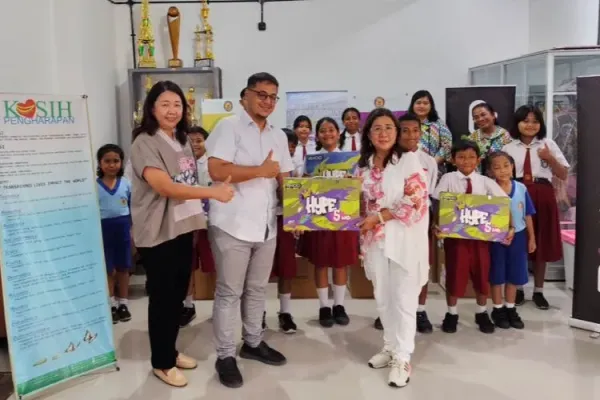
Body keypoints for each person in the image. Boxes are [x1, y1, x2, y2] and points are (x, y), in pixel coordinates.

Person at [129, 80, 234, 388]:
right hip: (158, 230)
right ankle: (161, 362)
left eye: (177, 104)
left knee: (177, 296)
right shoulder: (144, 142)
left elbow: (187, 178)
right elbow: (165, 186)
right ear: (151, 108)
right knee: (163, 298)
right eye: (165, 104)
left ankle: (170, 351)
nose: (172, 110)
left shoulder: (182, 138)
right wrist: (213, 193)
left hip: (184, 226)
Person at [205, 72, 293, 389]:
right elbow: (216, 170)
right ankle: (225, 356)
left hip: (266, 225)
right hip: (232, 223)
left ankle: (253, 342)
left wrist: (299, 212)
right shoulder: (228, 126)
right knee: (230, 292)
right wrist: (260, 171)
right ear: (246, 95)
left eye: (273, 97)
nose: (267, 101)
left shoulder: (278, 135)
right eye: (261, 95)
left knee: (257, 289)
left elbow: (284, 177)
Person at [357, 108, 429, 388]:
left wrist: (378, 217)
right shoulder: (363, 166)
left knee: (404, 298)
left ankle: (403, 356)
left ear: (396, 133)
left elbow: (415, 201)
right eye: (377, 128)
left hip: (403, 240)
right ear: (368, 134)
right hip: (375, 242)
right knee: (383, 296)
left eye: (389, 127)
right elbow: (357, 202)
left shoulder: (408, 160)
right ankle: (389, 346)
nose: (383, 133)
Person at [432, 140, 508, 334]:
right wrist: (436, 223)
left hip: (481, 240)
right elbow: (438, 202)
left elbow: (502, 203)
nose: (466, 161)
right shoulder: (448, 178)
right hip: (455, 239)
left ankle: (481, 312)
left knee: (482, 275)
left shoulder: (485, 181)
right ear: (453, 159)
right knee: (455, 274)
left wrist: (509, 227)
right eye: (461, 157)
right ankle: (452, 313)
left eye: (471, 157)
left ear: (478, 160)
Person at [503, 105, 569, 309]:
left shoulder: (548, 144)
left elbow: (563, 174)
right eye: (526, 121)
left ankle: (539, 291)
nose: (530, 125)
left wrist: (549, 158)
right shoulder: (508, 147)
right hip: (517, 193)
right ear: (517, 123)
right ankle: (519, 288)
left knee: (541, 241)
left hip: (542, 194)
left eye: (535, 121)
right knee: (519, 241)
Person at [298, 117, 359, 327]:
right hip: (319, 216)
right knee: (321, 262)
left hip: (343, 216)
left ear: (338, 133)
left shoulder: (351, 159)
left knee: (341, 262)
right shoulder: (311, 159)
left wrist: (353, 182)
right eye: (323, 131)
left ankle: (339, 305)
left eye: (331, 130)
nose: (327, 134)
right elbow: (303, 188)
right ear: (317, 135)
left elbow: (358, 187)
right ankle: (324, 306)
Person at [488, 151, 536, 329]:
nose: (502, 170)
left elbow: (528, 214)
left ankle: (510, 308)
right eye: (497, 167)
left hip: (519, 237)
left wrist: (531, 238)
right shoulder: (489, 189)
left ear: (513, 167)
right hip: (496, 238)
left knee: (514, 275)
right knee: (497, 274)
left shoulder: (521, 188)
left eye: (506, 166)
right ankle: (497, 309)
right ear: (490, 171)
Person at [180, 126, 215, 327]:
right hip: (188, 222)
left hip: (211, 223)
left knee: (215, 265)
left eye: (199, 140)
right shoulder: (181, 164)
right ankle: (188, 305)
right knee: (188, 265)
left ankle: (218, 306)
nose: (194, 144)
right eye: (190, 141)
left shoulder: (212, 163)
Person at [96, 143, 132, 324]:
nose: (112, 165)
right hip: (103, 230)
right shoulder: (94, 186)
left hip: (123, 229)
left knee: (123, 268)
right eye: (107, 161)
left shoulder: (126, 184)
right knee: (108, 269)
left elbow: (133, 209)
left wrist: (133, 233)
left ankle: (123, 303)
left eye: (116, 161)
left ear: (121, 162)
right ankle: (111, 303)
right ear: (100, 163)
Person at [408, 90, 452, 170]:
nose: (422, 106)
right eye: (418, 103)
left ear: (431, 106)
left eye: (425, 103)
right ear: (412, 105)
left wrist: (432, 163)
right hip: (409, 168)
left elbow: (447, 145)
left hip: (435, 169)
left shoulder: (439, 124)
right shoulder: (405, 123)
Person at [467, 102, 512, 173]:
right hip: (478, 176)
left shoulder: (505, 135)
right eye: (476, 117)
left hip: (500, 175)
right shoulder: (472, 138)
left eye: (483, 115)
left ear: (493, 115)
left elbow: (510, 160)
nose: (480, 119)